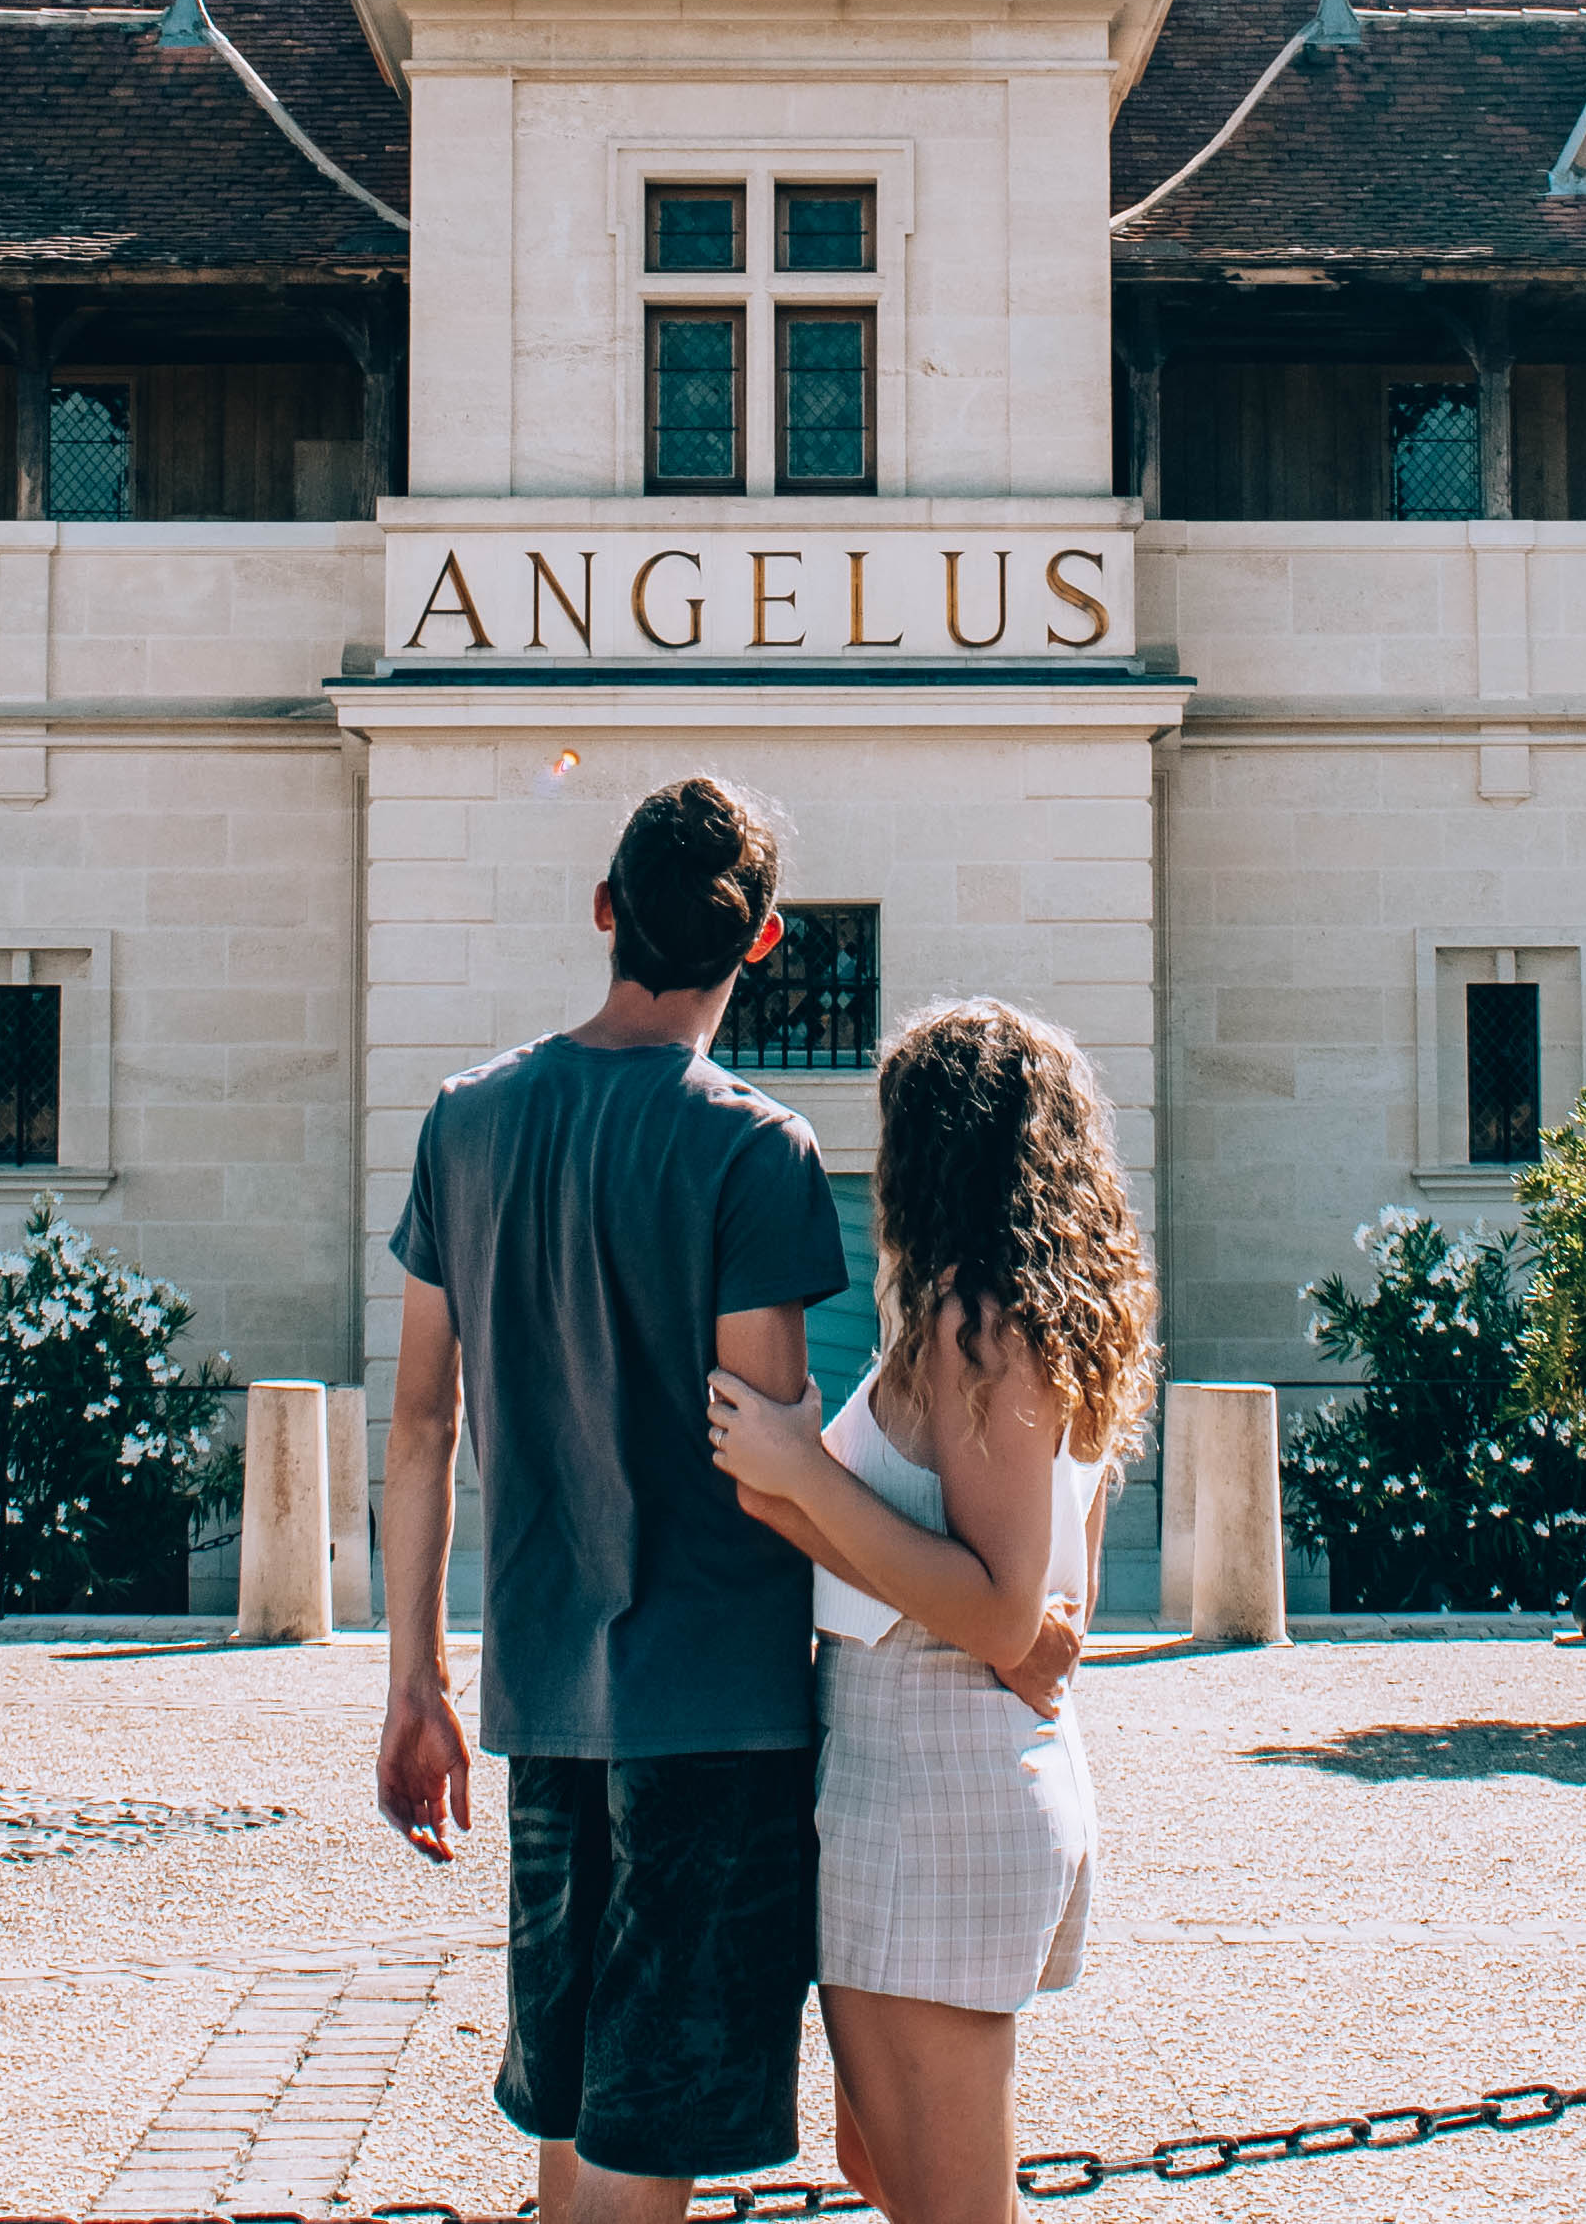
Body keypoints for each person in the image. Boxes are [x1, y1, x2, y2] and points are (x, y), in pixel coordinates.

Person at [372, 775, 882, 2224]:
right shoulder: (755, 1149)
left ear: (603, 910)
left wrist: (415, 1677)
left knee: (579, 2114)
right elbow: (768, 1457)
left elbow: (421, 1417)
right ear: (765, 940)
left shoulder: (463, 1122)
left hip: (540, 1691)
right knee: (640, 2138)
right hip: (713, 1702)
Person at [702, 996, 1152, 2224]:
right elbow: (1056, 1607)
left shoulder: (979, 1324)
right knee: (880, 2170)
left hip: (936, 1777)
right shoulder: (1007, 1316)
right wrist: (796, 1489)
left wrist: (799, 1475)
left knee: (945, 2204)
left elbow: (1012, 1613)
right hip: (921, 1768)